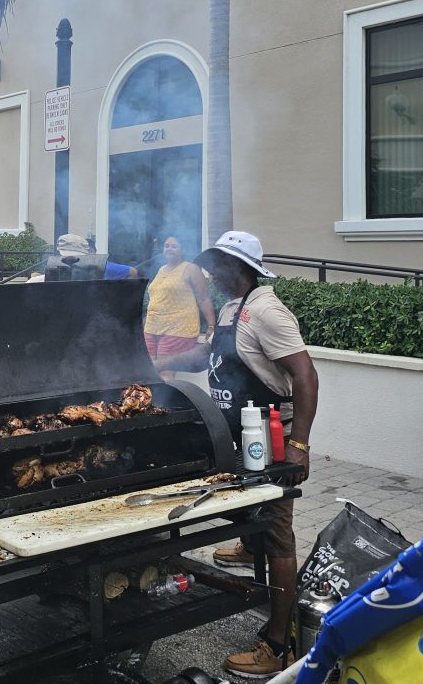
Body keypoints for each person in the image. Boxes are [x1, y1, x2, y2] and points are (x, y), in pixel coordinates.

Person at [154, 231, 318, 678]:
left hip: (271, 435)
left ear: (240, 267)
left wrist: (300, 445)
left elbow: (305, 376)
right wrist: (154, 365)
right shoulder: (231, 308)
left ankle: (279, 643)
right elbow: (211, 355)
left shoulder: (267, 310)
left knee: (279, 530)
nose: (212, 274)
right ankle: (250, 546)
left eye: (218, 266)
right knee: (251, 511)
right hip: (235, 431)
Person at [144, 236, 216, 379]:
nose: (169, 249)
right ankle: (150, 401)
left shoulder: (191, 269)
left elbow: (203, 298)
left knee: (165, 372)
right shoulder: (161, 269)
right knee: (149, 371)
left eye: (174, 246)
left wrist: (211, 326)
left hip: (177, 329)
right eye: (166, 246)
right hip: (152, 328)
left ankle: (164, 402)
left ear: (183, 250)